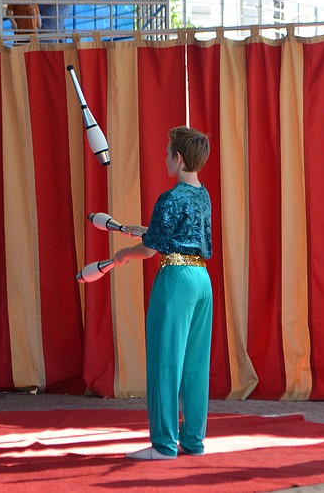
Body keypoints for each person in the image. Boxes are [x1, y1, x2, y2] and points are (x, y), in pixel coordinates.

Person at [113, 126, 212, 461]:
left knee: (165, 361)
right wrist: (145, 231)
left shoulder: (169, 198)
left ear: (179, 158)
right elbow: (178, 233)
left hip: (176, 280)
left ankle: (164, 445)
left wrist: (123, 255)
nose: (165, 157)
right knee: (196, 364)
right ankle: (193, 442)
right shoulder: (203, 194)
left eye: (169, 152)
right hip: (202, 280)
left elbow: (150, 250)